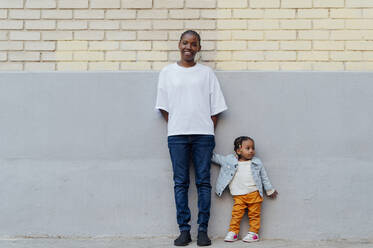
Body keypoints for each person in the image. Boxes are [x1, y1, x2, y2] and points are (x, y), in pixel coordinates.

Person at [155, 30, 228, 246]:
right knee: (181, 183)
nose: (189, 47)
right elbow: (163, 107)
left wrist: (205, 127)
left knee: (204, 182)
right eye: (185, 42)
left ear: (199, 48)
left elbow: (216, 109)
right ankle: (184, 230)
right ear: (179, 44)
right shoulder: (167, 72)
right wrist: (179, 123)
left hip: (203, 136)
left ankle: (203, 231)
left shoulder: (206, 73)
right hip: (177, 136)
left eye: (193, 44)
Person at [211, 136, 278, 243]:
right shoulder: (230, 161)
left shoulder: (256, 162)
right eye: (248, 148)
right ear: (238, 150)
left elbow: (264, 177)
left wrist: (269, 190)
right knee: (236, 214)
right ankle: (233, 232)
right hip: (238, 195)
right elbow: (217, 158)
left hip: (254, 193)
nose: (251, 150)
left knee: (254, 215)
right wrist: (204, 152)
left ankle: (254, 233)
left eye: (253, 148)